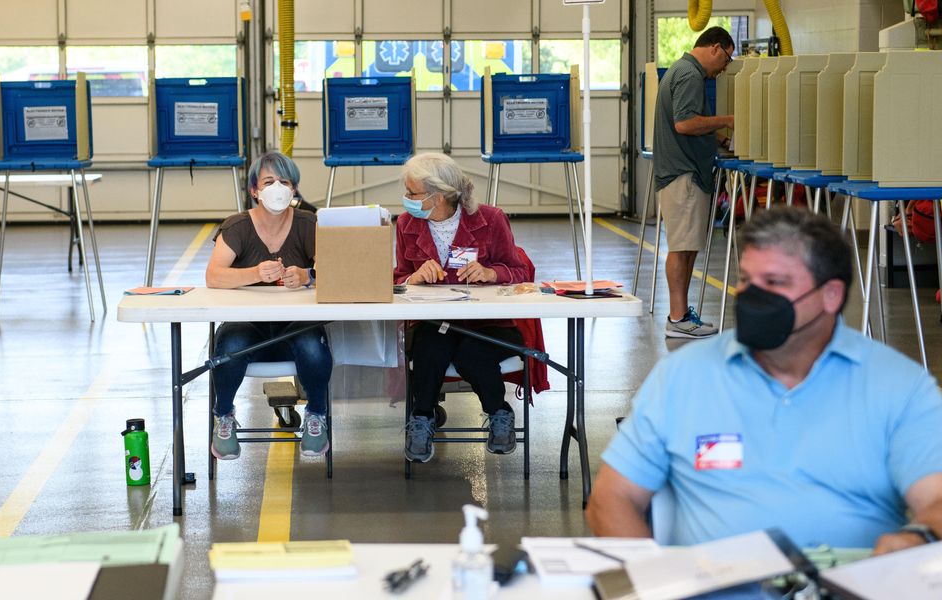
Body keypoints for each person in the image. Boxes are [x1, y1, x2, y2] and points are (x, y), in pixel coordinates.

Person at [587, 207, 942, 554]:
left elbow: (937, 499)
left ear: (831, 295)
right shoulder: (684, 377)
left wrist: (919, 539)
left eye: (774, 282)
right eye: (745, 280)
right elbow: (611, 499)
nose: (751, 297)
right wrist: (652, 580)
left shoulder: (898, 386)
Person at [395, 152, 532, 463]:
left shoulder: (490, 220)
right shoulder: (406, 224)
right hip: (435, 322)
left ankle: (500, 413)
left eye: (412, 193)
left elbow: (520, 271)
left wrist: (491, 273)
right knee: (430, 349)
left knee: (473, 352)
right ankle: (422, 418)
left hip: (488, 324)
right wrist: (413, 277)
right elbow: (397, 280)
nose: (406, 200)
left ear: (438, 195)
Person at [205, 151, 332, 460]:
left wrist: (308, 275)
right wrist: (253, 274)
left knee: (314, 346)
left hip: (295, 328)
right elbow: (213, 276)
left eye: (284, 181)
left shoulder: (309, 224)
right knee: (228, 345)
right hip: (250, 329)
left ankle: (317, 415)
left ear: (294, 189)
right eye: (268, 181)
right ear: (254, 190)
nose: (277, 187)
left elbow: (336, 271)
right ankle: (224, 416)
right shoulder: (236, 227)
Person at [654, 25, 736, 338]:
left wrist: (717, 136)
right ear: (715, 47)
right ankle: (677, 319)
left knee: (687, 248)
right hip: (683, 174)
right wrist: (728, 121)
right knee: (681, 248)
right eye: (726, 59)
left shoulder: (681, 70)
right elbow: (685, 123)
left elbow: (689, 121)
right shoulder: (690, 75)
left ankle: (682, 314)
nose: (724, 68)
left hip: (684, 172)